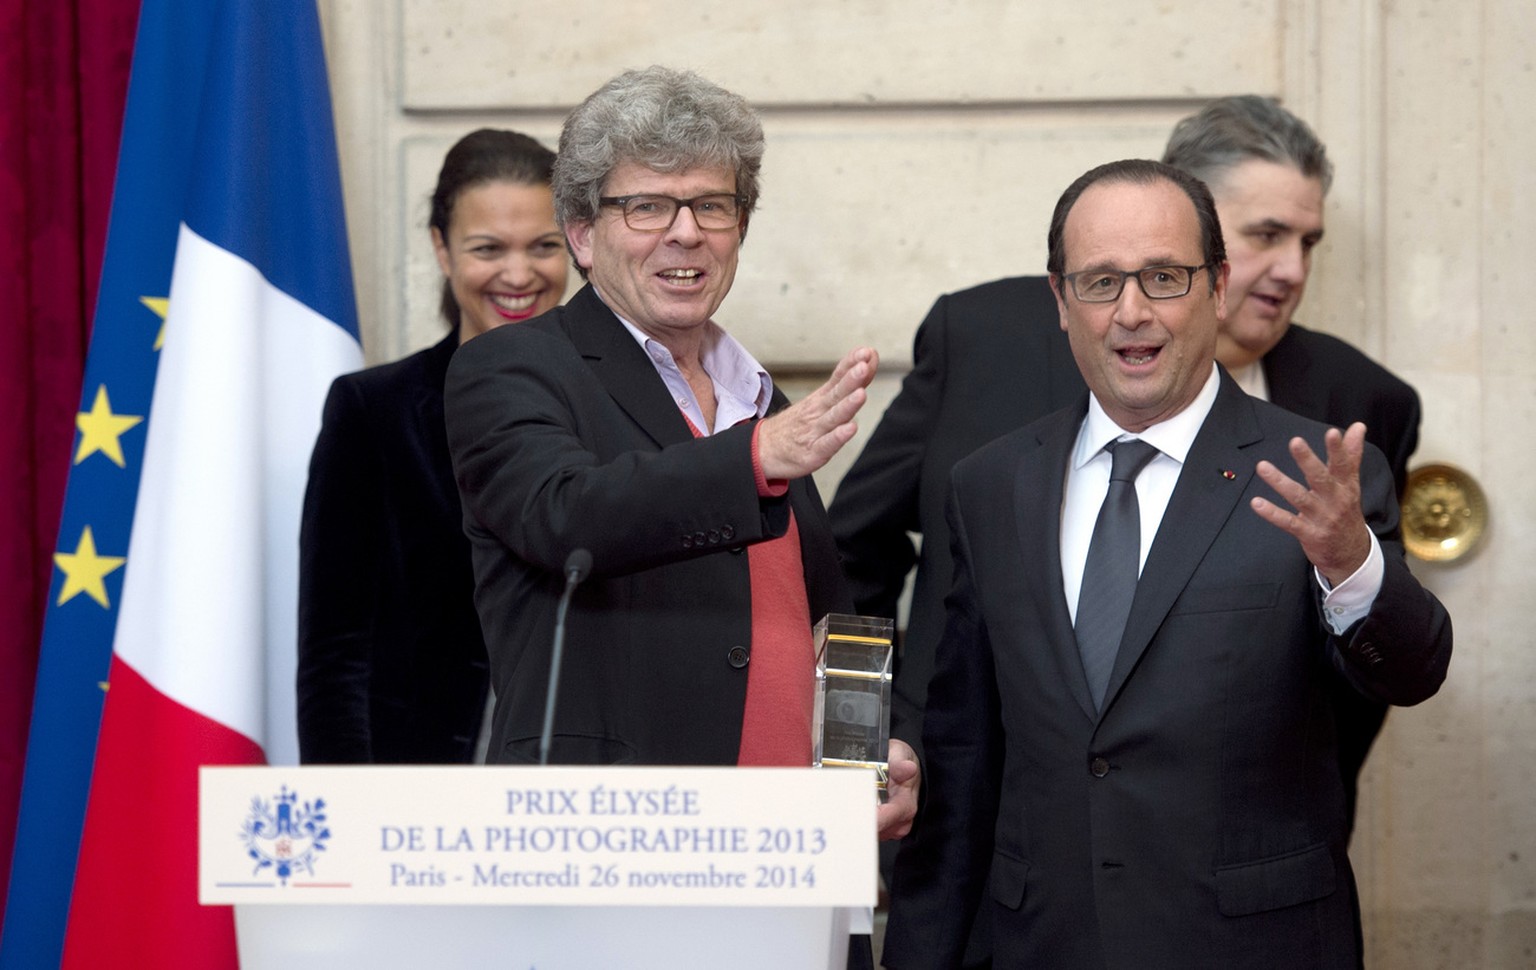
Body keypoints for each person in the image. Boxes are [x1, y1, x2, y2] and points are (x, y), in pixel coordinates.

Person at [880, 159, 1451, 969]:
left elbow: (1413, 670)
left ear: (1216, 288)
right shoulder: (993, 485)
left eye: (1163, 277)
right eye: (1101, 282)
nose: (1133, 313)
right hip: (1042, 942)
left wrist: (1351, 567)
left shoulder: (1308, 475)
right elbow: (965, 757)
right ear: (1060, 301)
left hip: (1251, 946)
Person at [832, 96, 1418, 840]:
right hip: (978, 837)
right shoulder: (986, 342)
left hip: (1228, 880)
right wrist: (859, 752)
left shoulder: (1356, 401)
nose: (1292, 271)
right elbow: (852, 558)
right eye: (1269, 234)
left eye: (1310, 241)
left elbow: (1375, 661)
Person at [443, 59, 917, 867]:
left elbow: (816, 622)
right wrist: (757, 455)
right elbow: (565, 515)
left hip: (791, 857)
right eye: (648, 206)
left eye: (711, 205)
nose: (686, 231)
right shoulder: (515, 367)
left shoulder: (752, 393)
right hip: (616, 851)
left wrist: (873, 753)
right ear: (585, 235)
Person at [297, 128, 568, 764]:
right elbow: (335, 656)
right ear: (442, 249)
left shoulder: (624, 402)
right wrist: (346, 816)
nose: (518, 274)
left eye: (543, 246)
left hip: (591, 802)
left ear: (577, 246)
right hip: (416, 802)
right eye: (488, 248)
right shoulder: (372, 413)